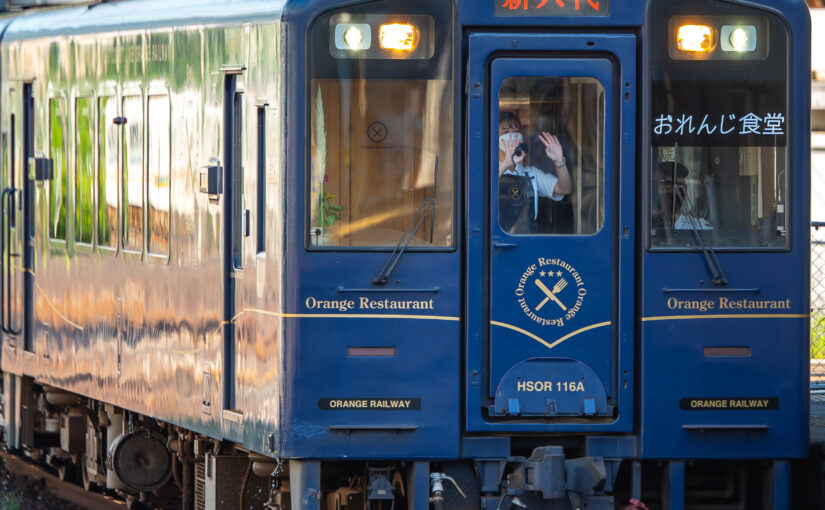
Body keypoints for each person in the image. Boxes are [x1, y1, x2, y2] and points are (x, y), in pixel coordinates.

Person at [498, 111, 572, 232]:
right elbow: (481, 194)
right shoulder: (487, 171)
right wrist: (506, 163)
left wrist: (559, 162)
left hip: (527, 239)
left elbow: (564, 189)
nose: (512, 135)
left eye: (516, 131)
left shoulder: (531, 173)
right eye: (506, 132)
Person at [655, 161, 712, 230]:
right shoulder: (644, 226)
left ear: (683, 193)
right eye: (663, 182)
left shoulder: (700, 228)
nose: (667, 188)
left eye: (675, 184)